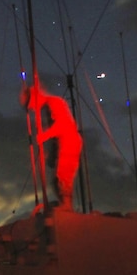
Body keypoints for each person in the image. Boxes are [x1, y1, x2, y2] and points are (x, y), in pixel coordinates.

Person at [21, 77, 83, 211]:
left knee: (63, 175)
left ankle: (66, 206)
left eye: (29, 104)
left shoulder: (54, 103)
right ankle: (65, 205)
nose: (31, 108)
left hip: (69, 140)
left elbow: (62, 125)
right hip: (65, 141)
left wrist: (43, 136)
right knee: (58, 178)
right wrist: (52, 156)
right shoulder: (49, 106)